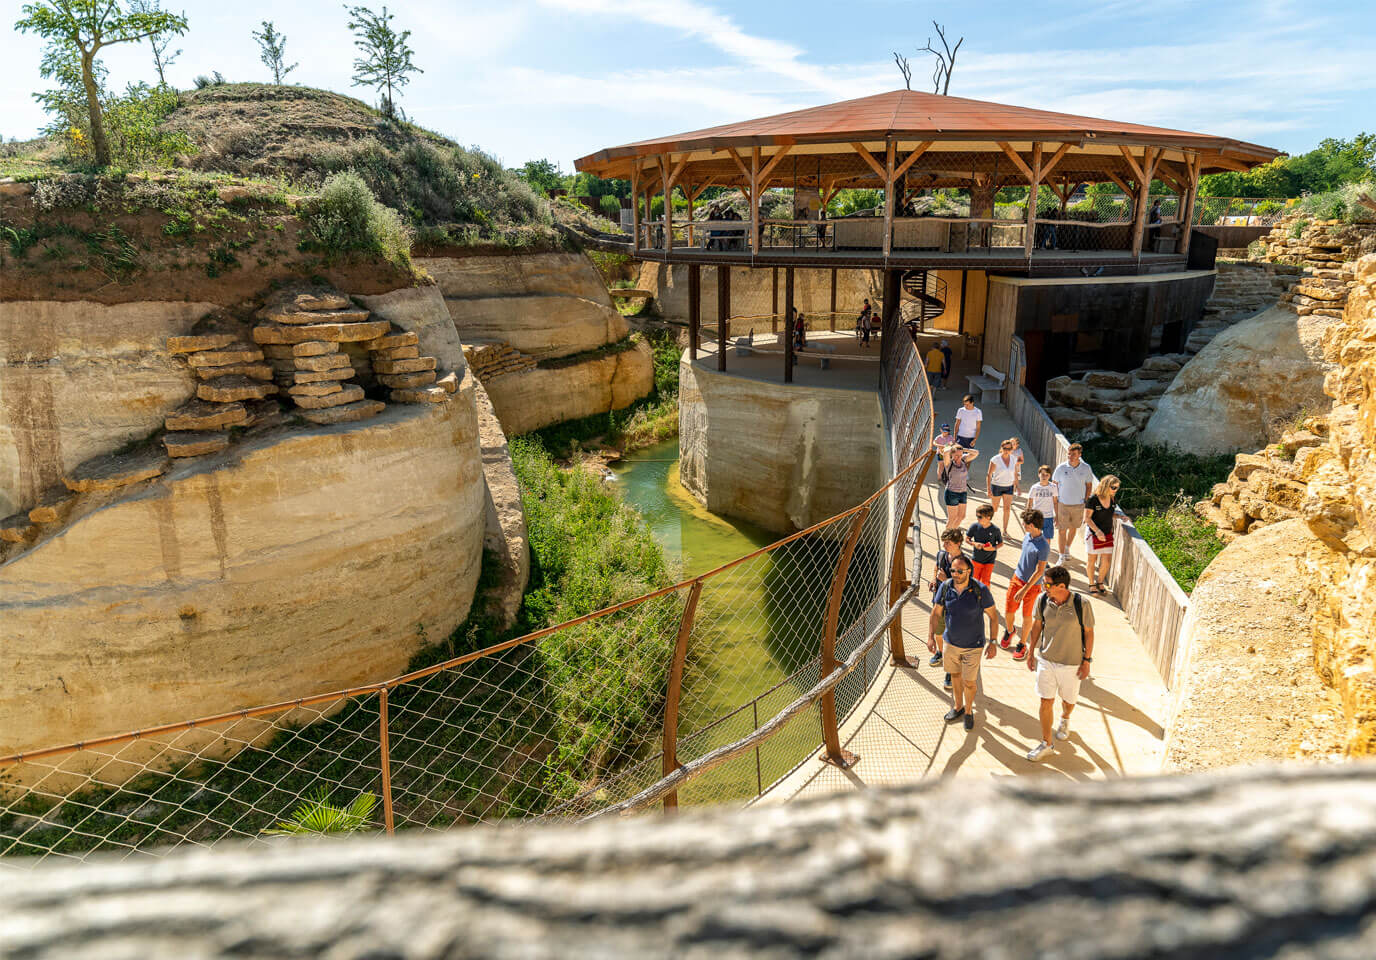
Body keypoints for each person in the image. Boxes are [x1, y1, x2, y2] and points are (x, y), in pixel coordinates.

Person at [1024, 565, 1095, 762]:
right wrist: (1031, 652)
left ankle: (1065, 718)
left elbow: (1089, 633)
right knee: (1045, 701)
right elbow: (1037, 625)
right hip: (1046, 660)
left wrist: (1087, 661)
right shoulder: (1043, 600)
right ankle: (1046, 743)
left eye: (1047, 583)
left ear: (1061, 586)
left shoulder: (1082, 604)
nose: (1044, 586)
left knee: (1068, 701)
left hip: (1072, 664)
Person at [928, 556, 1000, 732]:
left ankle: (968, 712)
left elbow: (993, 617)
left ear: (969, 571)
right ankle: (958, 707)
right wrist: (931, 636)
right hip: (950, 643)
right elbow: (936, 613)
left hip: (973, 645)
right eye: (953, 571)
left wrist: (993, 642)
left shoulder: (980, 590)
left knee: (969, 682)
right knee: (955, 675)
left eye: (960, 571)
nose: (956, 574)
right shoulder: (945, 587)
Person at [1003, 508, 1051, 660]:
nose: (1023, 525)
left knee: (1026, 616)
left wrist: (1024, 590)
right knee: (1008, 612)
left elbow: (1039, 571)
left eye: (1026, 523)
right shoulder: (1026, 537)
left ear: (1033, 525)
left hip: (1032, 587)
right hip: (1017, 578)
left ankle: (1022, 644)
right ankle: (1010, 631)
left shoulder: (1043, 546)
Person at [929, 528, 967, 683]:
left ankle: (951, 669)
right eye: (944, 542)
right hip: (939, 601)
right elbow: (936, 567)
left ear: (958, 544)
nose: (945, 545)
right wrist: (934, 579)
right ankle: (940, 652)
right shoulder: (941, 555)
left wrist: (946, 580)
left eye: (948, 543)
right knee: (938, 632)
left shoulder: (963, 563)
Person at [1051, 443, 1095, 563]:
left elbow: (1089, 485)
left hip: (1079, 504)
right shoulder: (1061, 468)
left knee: (1073, 528)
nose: (1070, 456)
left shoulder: (1086, 468)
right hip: (1062, 504)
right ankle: (1061, 556)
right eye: (1069, 453)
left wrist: (1085, 500)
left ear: (1079, 455)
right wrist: (1055, 501)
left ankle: (1067, 548)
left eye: (1073, 454)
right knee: (1061, 529)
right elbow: (1054, 484)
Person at [1084, 475, 1122, 595]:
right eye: (1113, 487)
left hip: (1107, 533)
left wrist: (1120, 517)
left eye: (1117, 488)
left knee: (1106, 560)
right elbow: (1087, 519)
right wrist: (1097, 531)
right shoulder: (1093, 499)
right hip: (1093, 533)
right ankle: (1091, 583)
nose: (1115, 490)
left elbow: (1109, 513)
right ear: (1106, 486)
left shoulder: (1112, 499)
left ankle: (1100, 582)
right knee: (1092, 560)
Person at [939, 443, 978, 530]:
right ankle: (947, 538)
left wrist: (963, 449)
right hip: (952, 493)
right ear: (952, 454)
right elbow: (946, 452)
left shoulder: (964, 460)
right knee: (952, 518)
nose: (958, 457)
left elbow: (976, 453)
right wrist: (952, 447)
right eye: (956, 455)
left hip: (963, 492)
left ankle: (952, 533)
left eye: (960, 455)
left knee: (961, 516)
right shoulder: (949, 463)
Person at [986, 440, 1021, 535]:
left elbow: (1015, 473)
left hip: (1009, 486)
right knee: (994, 508)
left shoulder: (1014, 459)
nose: (1006, 450)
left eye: (1009, 449)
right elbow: (989, 475)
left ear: (1012, 449)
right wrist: (988, 489)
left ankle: (1005, 530)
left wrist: (1017, 486)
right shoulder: (995, 459)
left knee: (1007, 508)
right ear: (1001, 448)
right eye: (1005, 448)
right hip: (996, 486)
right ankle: (987, 526)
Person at [1027, 465, 1060, 560]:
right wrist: (1027, 517)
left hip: (1048, 516)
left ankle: (1044, 559)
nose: (1044, 476)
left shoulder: (1053, 487)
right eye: (1042, 474)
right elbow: (1029, 502)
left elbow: (1055, 502)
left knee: (1047, 538)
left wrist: (1057, 515)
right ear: (1039, 475)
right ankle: (1033, 556)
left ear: (1050, 476)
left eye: (1047, 474)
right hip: (1036, 516)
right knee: (1034, 536)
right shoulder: (1034, 487)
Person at [966, 504, 1002, 587]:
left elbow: (1001, 543)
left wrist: (993, 548)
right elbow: (967, 539)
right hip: (976, 559)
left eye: (980, 517)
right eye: (977, 516)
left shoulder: (995, 530)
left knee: (985, 582)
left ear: (988, 517)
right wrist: (974, 544)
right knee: (974, 580)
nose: (977, 518)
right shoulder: (974, 526)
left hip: (989, 560)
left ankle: (984, 598)